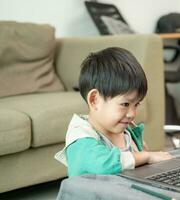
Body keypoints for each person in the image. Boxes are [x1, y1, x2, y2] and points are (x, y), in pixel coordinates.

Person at [55, 47, 173, 176]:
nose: (132, 114)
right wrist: (146, 156)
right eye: (125, 104)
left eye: (136, 104)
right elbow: (103, 165)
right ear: (94, 100)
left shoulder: (126, 132)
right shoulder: (80, 137)